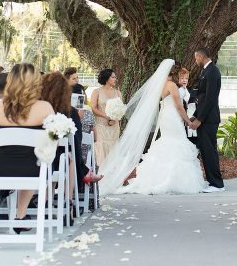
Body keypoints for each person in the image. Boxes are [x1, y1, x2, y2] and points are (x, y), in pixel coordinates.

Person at [112, 63, 207, 194]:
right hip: (172, 117)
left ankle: (160, 178)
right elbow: (179, 106)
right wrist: (188, 121)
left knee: (167, 142)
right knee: (176, 142)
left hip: (166, 116)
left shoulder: (161, 85)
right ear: (173, 73)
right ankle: (172, 180)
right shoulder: (172, 85)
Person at [0, 63, 54, 233]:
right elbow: (53, 141)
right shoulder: (45, 107)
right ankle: (20, 215)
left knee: (25, 161)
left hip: (0, 168)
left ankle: (19, 214)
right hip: (33, 170)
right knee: (36, 161)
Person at [191, 47, 225, 192]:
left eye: (196, 58)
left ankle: (217, 184)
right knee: (205, 150)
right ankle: (212, 181)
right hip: (204, 117)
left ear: (200, 56)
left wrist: (200, 118)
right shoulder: (206, 70)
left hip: (209, 119)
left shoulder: (212, 71)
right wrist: (196, 114)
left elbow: (210, 99)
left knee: (209, 150)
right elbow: (201, 96)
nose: (195, 60)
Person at [91, 68, 122, 166]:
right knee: (102, 148)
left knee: (113, 149)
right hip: (101, 126)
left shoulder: (118, 93)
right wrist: (107, 116)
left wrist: (115, 117)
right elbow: (94, 108)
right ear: (106, 78)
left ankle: (112, 175)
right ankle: (101, 175)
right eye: (113, 77)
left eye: (115, 77)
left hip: (114, 127)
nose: (115, 79)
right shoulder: (97, 91)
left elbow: (120, 108)